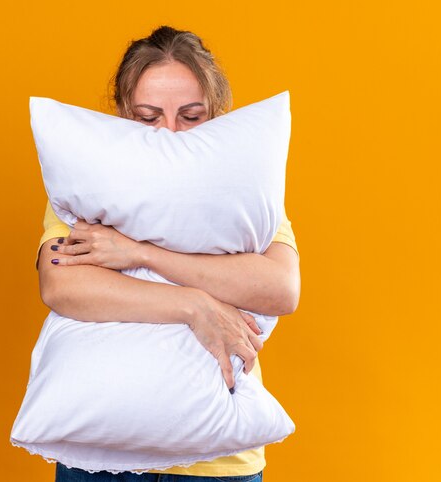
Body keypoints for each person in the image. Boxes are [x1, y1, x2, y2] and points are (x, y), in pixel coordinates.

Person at [34, 25, 300, 482]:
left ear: (216, 112)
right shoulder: (88, 184)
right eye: (148, 116)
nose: (170, 133)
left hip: (217, 462)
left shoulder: (242, 194)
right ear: (122, 114)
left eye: (191, 116)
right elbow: (62, 282)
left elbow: (279, 289)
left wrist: (139, 253)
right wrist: (194, 305)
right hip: (101, 448)